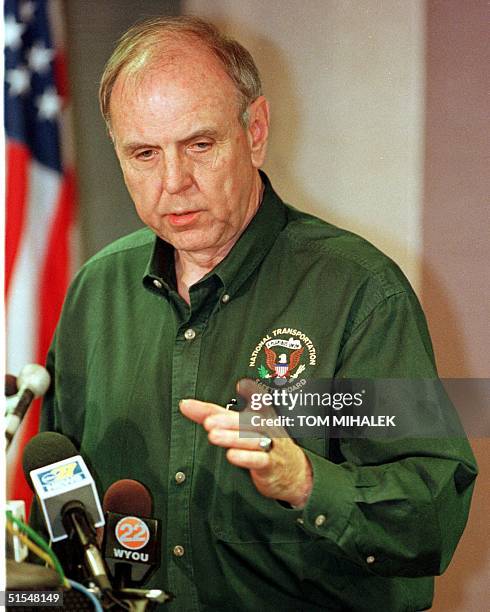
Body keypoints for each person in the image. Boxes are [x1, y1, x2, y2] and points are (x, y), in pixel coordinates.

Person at [38, 16, 477, 611]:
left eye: (200, 144)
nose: (174, 181)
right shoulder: (97, 292)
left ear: (256, 132)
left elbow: (433, 515)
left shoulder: (361, 292)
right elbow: (63, 500)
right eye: (144, 153)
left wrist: (306, 483)